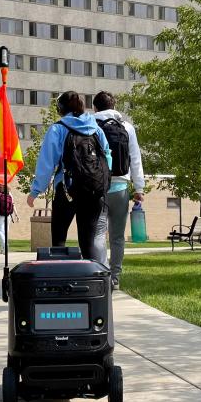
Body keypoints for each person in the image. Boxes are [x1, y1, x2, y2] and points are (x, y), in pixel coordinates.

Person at [27, 91, 111, 259]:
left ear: (61, 109)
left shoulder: (58, 129)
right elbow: (107, 157)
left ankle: (59, 279)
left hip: (67, 190)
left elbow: (47, 163)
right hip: (94, 192)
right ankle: (92, 281)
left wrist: (36, 191)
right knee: (88, 242)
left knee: (59, 239)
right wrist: (101, 182)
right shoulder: (96, 130)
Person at [92, 91, 145, 287]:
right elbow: (135, 158)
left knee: (97, 233)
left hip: (97, 188)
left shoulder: (90, 125)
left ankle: (100, 274)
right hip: (121, 187)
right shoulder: (126, 127)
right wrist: (139, 187)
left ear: (95, 107)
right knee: (117, 236)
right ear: (114, 106)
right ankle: (115, 277)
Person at [0, 182, 19, 253]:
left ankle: (5, 245)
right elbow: (13, 205)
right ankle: (2, 249)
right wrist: (16, 214)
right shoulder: (9, 193)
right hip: (8, 215)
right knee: (5, 232)